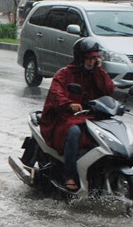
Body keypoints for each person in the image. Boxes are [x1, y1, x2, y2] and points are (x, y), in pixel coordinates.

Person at [39, 38, 115, 192]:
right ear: (80, 58)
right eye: (89, 58)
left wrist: (99, 71)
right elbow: (56, 93)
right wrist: (69, 104)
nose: (92, 61)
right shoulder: (64, 74)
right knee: (74, 132)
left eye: (95, 58)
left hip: (89, 116)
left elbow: (109, 91)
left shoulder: (96, 74)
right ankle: (70, 176)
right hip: (64, 118)